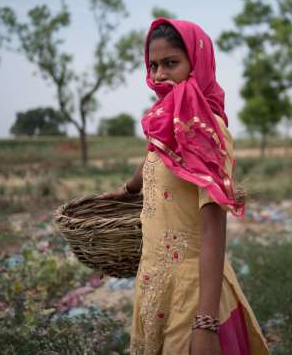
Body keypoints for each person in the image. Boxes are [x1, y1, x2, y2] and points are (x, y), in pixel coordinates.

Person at [102, 18, 270, 355]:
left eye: (171, 63)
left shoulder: (207, 131)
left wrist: (205, 323)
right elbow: (155, 154)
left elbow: (213, 230)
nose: (160, 74)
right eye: (153, 65)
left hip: (193, 294)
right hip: (154, 285)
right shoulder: (168, 121)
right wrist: (130, 187)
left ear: (198, 63)